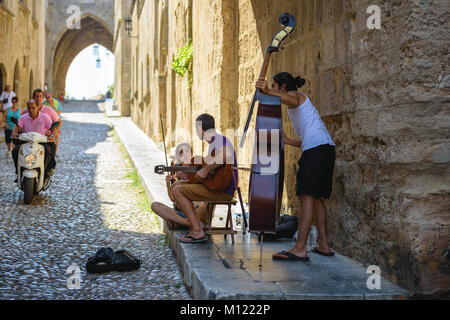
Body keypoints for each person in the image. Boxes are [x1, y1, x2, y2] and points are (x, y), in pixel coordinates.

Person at [255, 72, 336, 261]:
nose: (273, 90)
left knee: (306, 196)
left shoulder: (296, 96)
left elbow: (285, 98)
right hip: (324, 148)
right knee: (316, 199)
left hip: (316, 151)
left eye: (274, 86)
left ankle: (300, 248)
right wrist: (290, 140)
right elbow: (310, 137)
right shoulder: (297, 104)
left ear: (283, 87)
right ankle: (323, 245)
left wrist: (266, 90)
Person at [171, 113, 238, 243]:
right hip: (217, 188)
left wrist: (206, 169)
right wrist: (188, 176)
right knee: (176, 185)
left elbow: (226, 154)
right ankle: (198, 224)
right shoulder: (213, 143)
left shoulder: (218, 140)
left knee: (177, 191)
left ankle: (197, 230)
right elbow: (209, 176)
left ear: (199, 129)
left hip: (222, 191)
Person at [151, 142, 210, 230]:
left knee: (207, 205)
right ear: (178, 156)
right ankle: (189, 223)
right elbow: (172, 199)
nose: (185, 154)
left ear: (192, 154)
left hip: (197, 210)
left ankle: (181, 223)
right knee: (155, 205)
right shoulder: (176, 170)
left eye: (187, 151)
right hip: (181, 213)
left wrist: (187, 180)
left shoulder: (199, 165)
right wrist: (168, 184)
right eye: (181, 152)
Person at [12, 100, 57, 181]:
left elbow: (53, 128)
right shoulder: (23, 117)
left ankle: (46, 171)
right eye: (29, 108)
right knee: (15, 151)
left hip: (41, 142)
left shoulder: (45, 117)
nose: (31, 110)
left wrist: (51, 135)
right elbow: (16, 127)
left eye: (33, 108)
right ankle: (18, 171)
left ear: (37, 108)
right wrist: (14, 133)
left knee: (48, 150)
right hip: (26, 142)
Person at [22, 89, 62, 156]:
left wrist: (54, 132)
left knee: (50, 151)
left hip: (44, 139)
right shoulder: (27, 110)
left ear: (43, 98)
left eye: (40, 96)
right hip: (29, 139)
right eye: (36, 96)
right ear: (33, 97)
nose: (39, 98)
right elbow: (20, 122)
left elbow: (59, 121)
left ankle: (50, 164)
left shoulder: (49, 110)